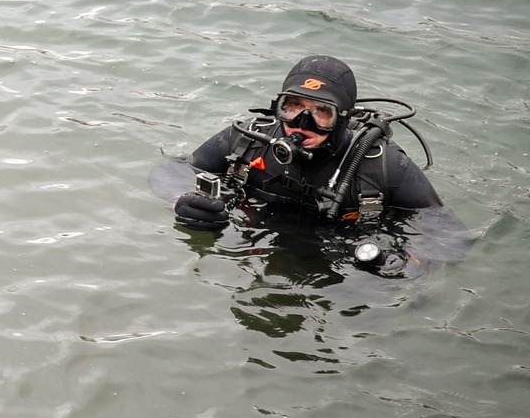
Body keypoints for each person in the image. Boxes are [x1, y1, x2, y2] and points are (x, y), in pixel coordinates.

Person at [170, 55, 467, 272]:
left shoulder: (382, 165)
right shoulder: (247, 140)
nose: (302, 122)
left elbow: (447, 233)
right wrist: (184, 202)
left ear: (343, 119)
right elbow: (174, 171)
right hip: (259, 244)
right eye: (294, 106)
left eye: (321, 111)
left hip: (344, 257)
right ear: (279, 107)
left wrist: (409, 263)